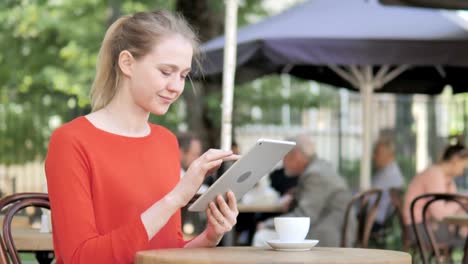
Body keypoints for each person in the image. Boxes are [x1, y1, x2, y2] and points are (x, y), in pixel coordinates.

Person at [45, 10, 239, 264]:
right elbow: (80, 258)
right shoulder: (71, 141)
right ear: (127, 63)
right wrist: (174, 199)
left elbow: (165, 249)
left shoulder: (166, 142)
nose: (176, 87)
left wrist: (210, 236)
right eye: (166, 71)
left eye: (182, 75)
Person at [252, 134, 356, 247]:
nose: (283, 162)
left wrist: (268, 224)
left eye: (284, 156)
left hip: (327, 236)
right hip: (330, 230)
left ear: (295, 155)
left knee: (262, 236)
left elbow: (304, 216)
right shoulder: (320, 167)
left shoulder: (315, 174)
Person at [402, 143, 468, 244]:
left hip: (430, 225)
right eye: (463, 167)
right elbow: (440, 214)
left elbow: (453, 206)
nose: (463, 172)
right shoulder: (434, 175)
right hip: (419, 229)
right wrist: (461, 201)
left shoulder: (446, 178)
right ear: (455, 160)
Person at [371, 137, 404, 227]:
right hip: (374, 219)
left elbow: (367, 199)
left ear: (390, 155)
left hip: (374, 221)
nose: (373, 157)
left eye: (377, 153)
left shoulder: (389, 175)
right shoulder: (387, 171)